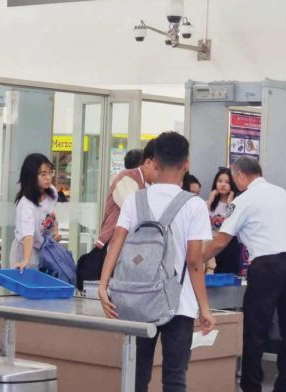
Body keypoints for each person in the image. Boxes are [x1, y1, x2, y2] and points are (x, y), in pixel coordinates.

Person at [99, 132, 215, 392]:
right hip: (180, 304)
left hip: (137, 299)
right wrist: (204, 308)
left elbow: (116, 243)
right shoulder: (194, 205)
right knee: (174, 377)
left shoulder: (135, 199)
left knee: (137, 375)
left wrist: (104, 285)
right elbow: (195, 262)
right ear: (186, 163)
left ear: (154, 161)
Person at [202, 156, 286, 392]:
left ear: (239, 175)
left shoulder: (245, 199)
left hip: (267, 265)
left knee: (256, 330)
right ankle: (284, 386)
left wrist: (195, 260)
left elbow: (220, 241)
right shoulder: (282, 194)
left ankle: (251, 387)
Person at [96, 140, 156, 250]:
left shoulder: (151, 184)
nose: (161, 171)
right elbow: (137, 212)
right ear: (147, 163)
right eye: (158, 167)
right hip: (113, 245)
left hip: (134, 247)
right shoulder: (125, 178)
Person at [11, 153, 61, 271]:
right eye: (43, 174)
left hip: (44, 249)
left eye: (50, 172)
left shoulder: (52, 192)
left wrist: (55, 232)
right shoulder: (26, 204)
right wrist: (25, 260)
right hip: (26, 249)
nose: (48, 177)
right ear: (31, 177)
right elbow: (28, 235)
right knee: (28, 285)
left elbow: (51, 215)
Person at [204, 167, 243, 274]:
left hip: (228, 248)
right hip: (211, 247)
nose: (223, 184)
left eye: (227, 182)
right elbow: (201, 222)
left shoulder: (236, 204)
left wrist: (231, 203)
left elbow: (234, 225)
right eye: (220, 181)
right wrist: (210, 200)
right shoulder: (208, 204)